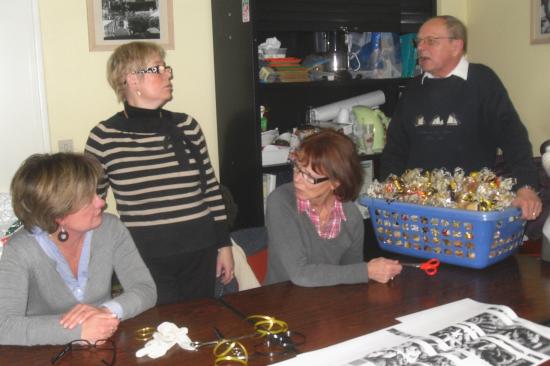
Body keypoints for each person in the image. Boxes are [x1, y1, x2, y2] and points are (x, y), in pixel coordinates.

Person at [85, 41, 234, 304]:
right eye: (158, 69)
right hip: (144, 255)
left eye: (166, 67)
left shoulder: (187, 125)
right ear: (132, 80)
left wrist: (224, 245)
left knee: (200, 324)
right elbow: (89, 202)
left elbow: (211, 189)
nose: (168, 74)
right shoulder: (104, 136)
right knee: (159, 330)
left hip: (200, 249)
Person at [380, 15, 542, 221]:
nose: (420, 48)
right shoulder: (412, 88)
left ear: (456, 46)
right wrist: (388, 188)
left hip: (470, 207)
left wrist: (526, 187)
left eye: (430, 41)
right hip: (417, 207)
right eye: (418, 41)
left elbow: (514, 138)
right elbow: (395, 149)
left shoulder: (482, 81)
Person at [0, 153, 156, 346]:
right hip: (44, 352)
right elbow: (4, 326)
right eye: (88, 198)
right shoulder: (20, 250)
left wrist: (107, 311)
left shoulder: (110, 228)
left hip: (105, 343)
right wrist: (78, 330)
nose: (101, 202)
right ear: (58, 213)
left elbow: (145, 289)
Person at [264, 129, 402, 287]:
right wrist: (367, 271)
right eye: (297, 168)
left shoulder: (351, 216)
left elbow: (350, 277)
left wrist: (367, 272)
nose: (297, 180)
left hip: (327, 302)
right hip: (281, 303)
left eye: (309, 177)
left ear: (335, 183)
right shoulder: (281, 202)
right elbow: (300, 274)